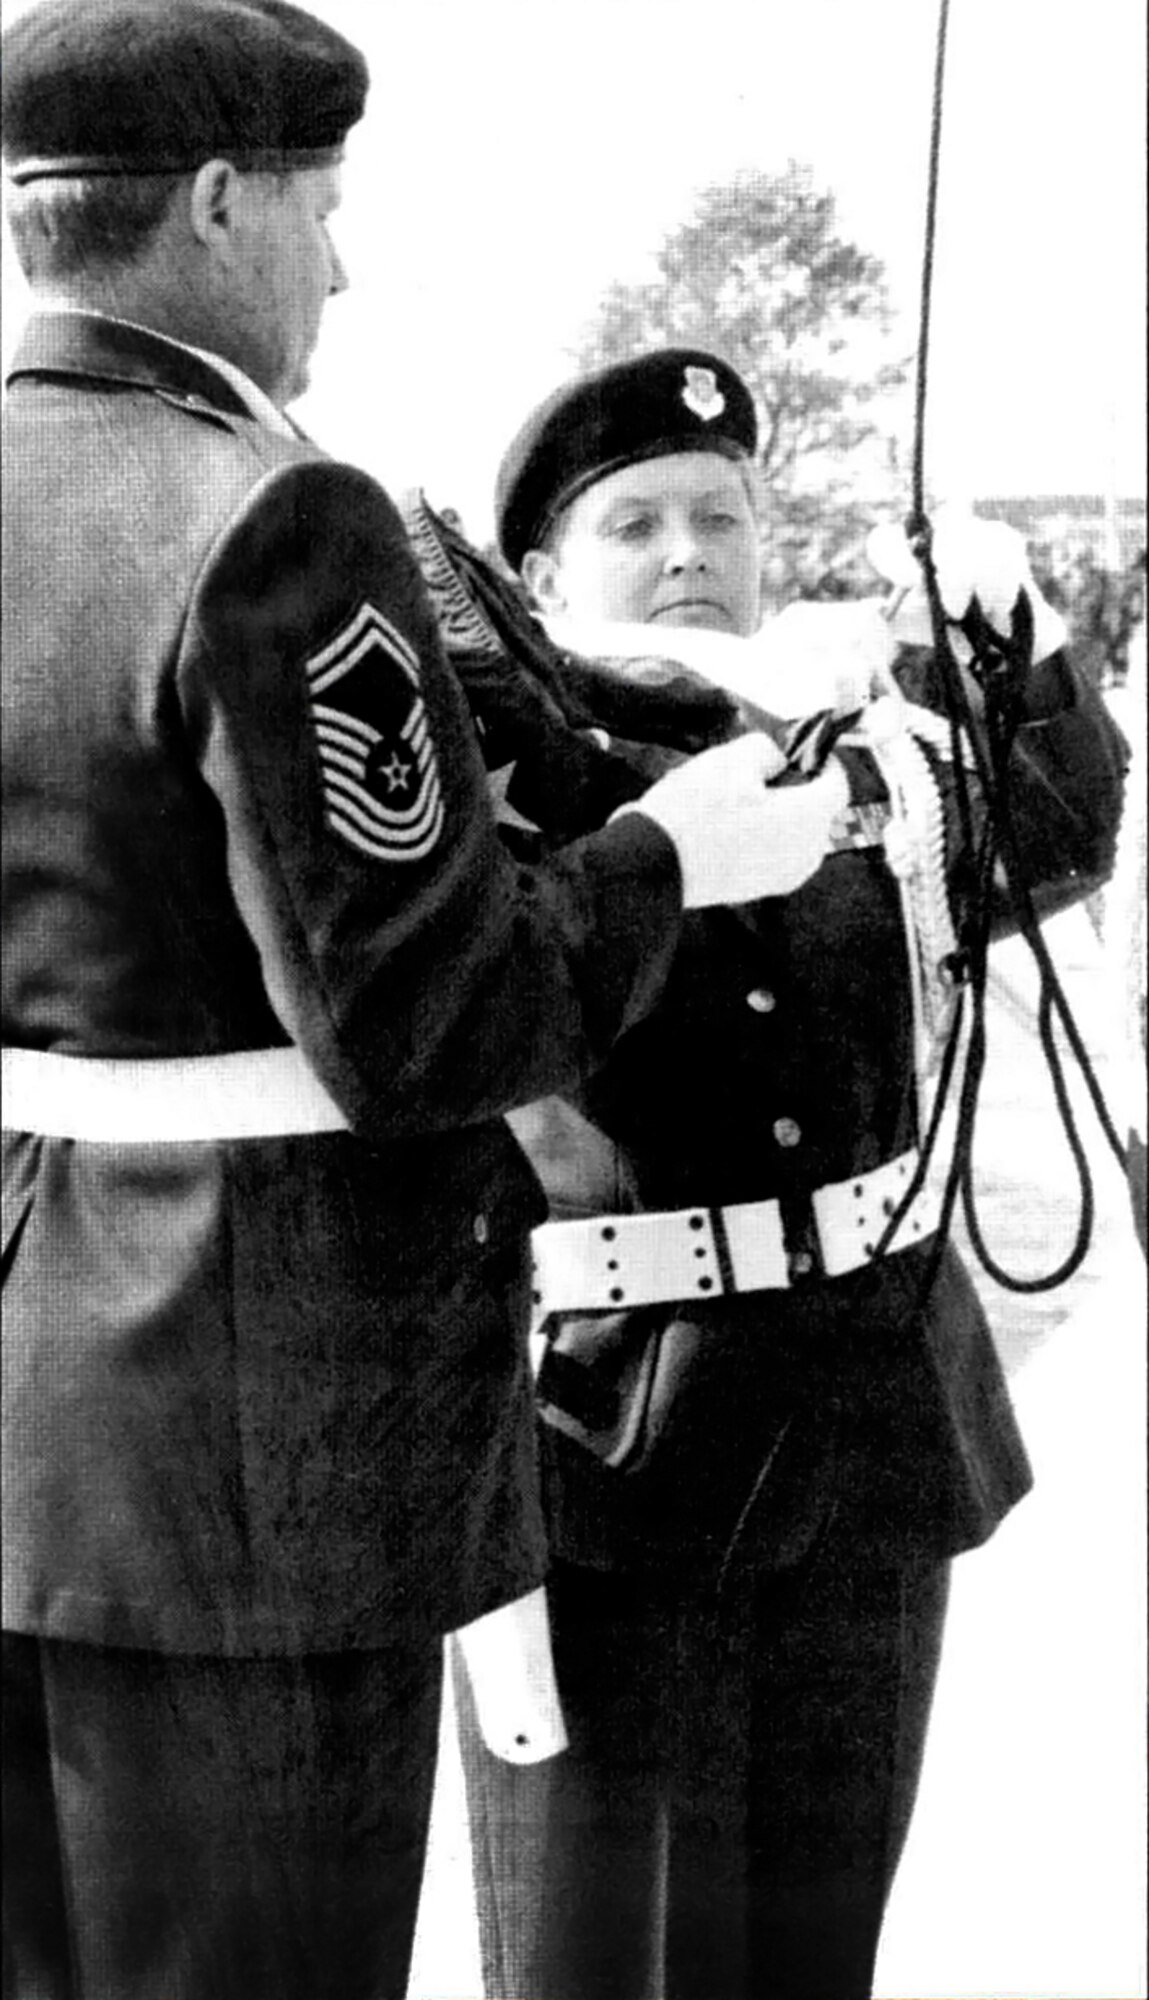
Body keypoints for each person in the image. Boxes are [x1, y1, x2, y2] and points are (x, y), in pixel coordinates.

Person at [0, 13, 847, 1996]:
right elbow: (431, 1027)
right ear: (221, 203)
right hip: (265, 1451)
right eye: (322, 211)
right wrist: (668, 860)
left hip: (38, 1412)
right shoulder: (272, 516)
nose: (342, 268)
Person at [439, 348, 1129, 1999]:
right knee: (605, 1953)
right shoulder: (508, 765)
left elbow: (1043, 838)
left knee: (816, 1942)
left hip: (877, 1420)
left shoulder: (849, 739)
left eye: (721, 517)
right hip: (619, 1436)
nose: (688, 553)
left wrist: (1007, 652)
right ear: (542, 571)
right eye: (634, 525)